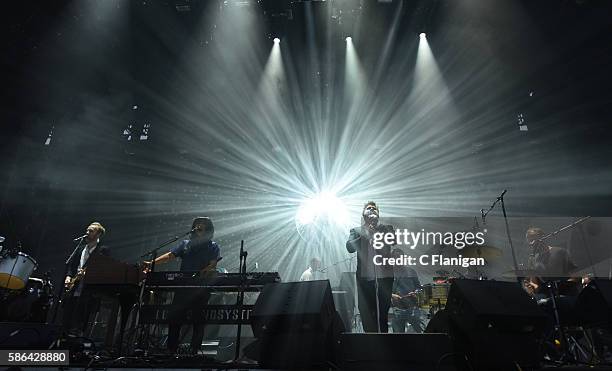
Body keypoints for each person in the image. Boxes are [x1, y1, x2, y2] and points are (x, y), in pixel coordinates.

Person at [144, 217, 220, 354]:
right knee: (175, 317)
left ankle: (194, 350)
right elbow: (170, 255)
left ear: (208, 228)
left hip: (200, 287)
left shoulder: (213, 246)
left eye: (202, 224)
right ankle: (171, 349)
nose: (198, 226)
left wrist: (206, 271)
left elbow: (213, 264)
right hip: (182, 285)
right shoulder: (186, 243)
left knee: (198, 319)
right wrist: (151, 263)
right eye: (197, 224)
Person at [346, 201, 395, 333]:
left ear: (378, 213)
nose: (372, 210)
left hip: (384, 279)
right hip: (365, 280)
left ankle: (385, 344)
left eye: (374, 209)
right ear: (363, 214)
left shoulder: (387, 228)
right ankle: (370, 344)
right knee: (367, 314)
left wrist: (377, 230)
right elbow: (350, 247)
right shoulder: (356, 231)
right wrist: (366, 233)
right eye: (369, 208)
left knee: (382, 314)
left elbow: (393, 240)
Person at [63, 222, 110, 335]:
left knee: (82, 315)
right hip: (74, 285)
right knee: (68, 313)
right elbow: (72, 265)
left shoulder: (103, 250)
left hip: (88, 288)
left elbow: (103, 268)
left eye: (91, 231)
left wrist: (89, 273)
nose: (87, 232)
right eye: (87, 230)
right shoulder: (80, 248)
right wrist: (69, 276)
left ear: (98, 234)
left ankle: (78, 336)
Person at [390, 248, 424, 333]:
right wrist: (392, 296)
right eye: (396, 257)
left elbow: (419, 287)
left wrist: (415, 293)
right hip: (397, 308)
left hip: (412, 307)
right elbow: (383, 291)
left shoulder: (411, 271)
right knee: (398, 336)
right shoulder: (388, 273)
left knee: (420, 332)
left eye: (400, 258)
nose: (398, 260)